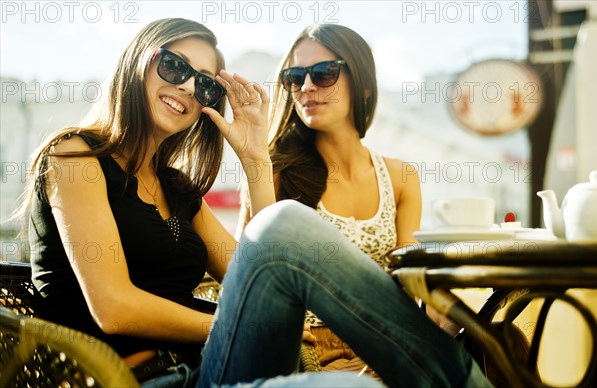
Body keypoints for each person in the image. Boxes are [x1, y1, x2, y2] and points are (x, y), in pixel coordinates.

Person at [16, 18, 490, 387]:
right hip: (139, 377)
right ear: (137, 60)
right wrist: (231, 323)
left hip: (213, 368)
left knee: (283, 228)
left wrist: (256, 160)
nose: (186, 88)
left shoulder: (177, 188)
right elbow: (115, 308)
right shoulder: (75, 156)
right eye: (176, 67)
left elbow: (263, 269)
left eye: (204, 84)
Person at [237, 23, 454, 376]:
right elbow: (250, 278)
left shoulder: (401, 178)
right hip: (300, 350)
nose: (306, 87)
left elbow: (411, 283)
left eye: (324, 73)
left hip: (381, 345)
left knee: (498, 344)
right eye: (295, 77)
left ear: (364, 84)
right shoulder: (272, 170)